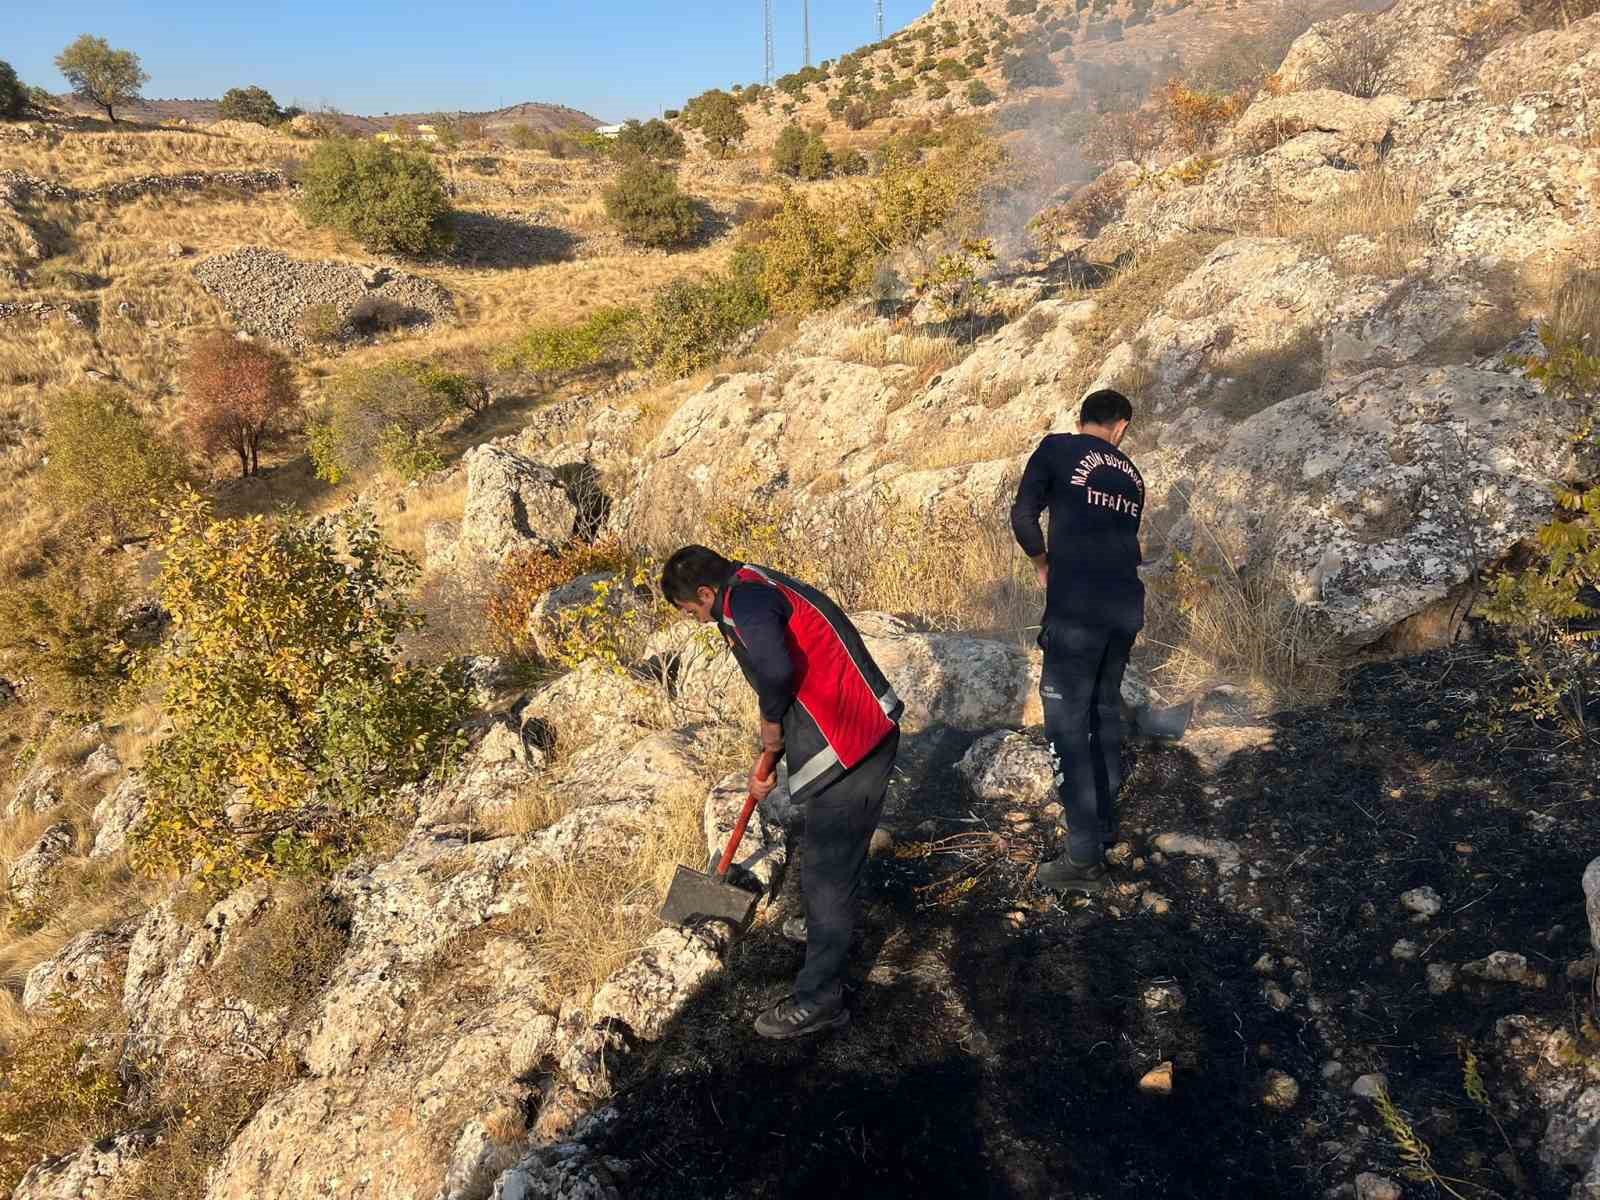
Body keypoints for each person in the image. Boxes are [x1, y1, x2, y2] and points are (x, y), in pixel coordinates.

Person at [659, 545, 903, 1039]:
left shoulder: (745, 602)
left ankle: (819, 1000)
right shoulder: (754, 582)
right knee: (831, 863)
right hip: (861, 726)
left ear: (707, 593)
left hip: (852, 740)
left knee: (825, 875)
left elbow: (775, 671)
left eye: (692, 612)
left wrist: (772, 729)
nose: (697, 621)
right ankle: (822, 930)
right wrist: (770, 753)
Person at [1010, 388, 1146, 895]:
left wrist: (1042, 562)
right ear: (1122, 426)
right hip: (1124, 609)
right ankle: (1104, 822)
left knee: (1067, 723)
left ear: (1082, 418)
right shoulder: (1133, 476)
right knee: (1104, 710)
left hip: (1077, 613)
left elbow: (1023, 517)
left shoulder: (1056, 449)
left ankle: (1083, 857)